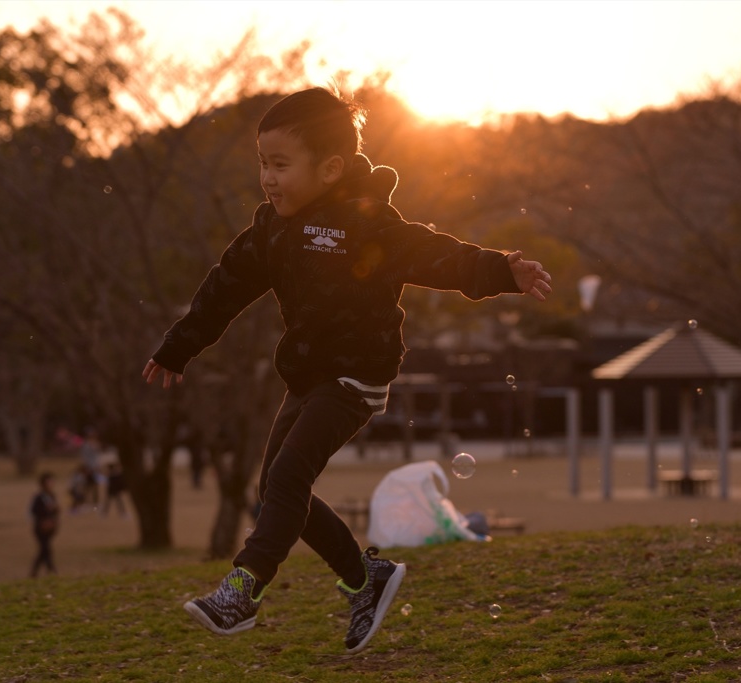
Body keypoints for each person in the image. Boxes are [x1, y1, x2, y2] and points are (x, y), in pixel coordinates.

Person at [142, 86, 552, 653]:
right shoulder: (273, 230)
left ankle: (243, 589)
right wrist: (178, 346)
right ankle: (366, 579)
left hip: (356, 375)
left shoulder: (366, 223)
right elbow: (224, 287)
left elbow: (432, 252)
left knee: (285, 481)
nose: (267, 177)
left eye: (280, 165)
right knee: (278, 489)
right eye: (262, 163)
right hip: (308, 376)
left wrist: (499, 270)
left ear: (331, 168)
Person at [29, 471, 60, 577]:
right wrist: (45, 512)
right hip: (40, 527)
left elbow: (56, 512)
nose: (52, 483)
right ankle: (50, 570)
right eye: (49, 481)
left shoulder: (52, 496)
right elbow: (34, 511)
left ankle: (39, 572)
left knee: (45, 550)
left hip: (50, 527)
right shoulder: (39, 497)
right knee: (45, 549)